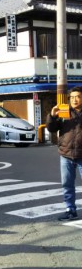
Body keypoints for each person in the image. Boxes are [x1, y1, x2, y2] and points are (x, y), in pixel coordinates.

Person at [47, 86, 82, 220]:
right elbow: (51, 128)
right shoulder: (64, 111)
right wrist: (52, 116)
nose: (74, 100)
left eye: (78, 97)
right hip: (66, 154)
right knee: (67, 184)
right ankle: (70, 210)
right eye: (72, 97)